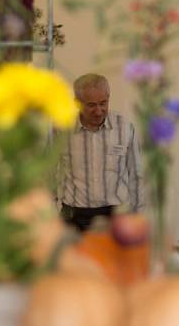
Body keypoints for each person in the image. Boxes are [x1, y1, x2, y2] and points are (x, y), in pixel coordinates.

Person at [57, 73, 145, 232]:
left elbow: (136, 175)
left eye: (103, 103)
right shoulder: (61, 129)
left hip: (116, 216)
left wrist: (137, 216)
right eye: (91, 105)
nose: (98, 111)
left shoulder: (124, 127)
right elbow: (48, 175)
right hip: (74, 217)